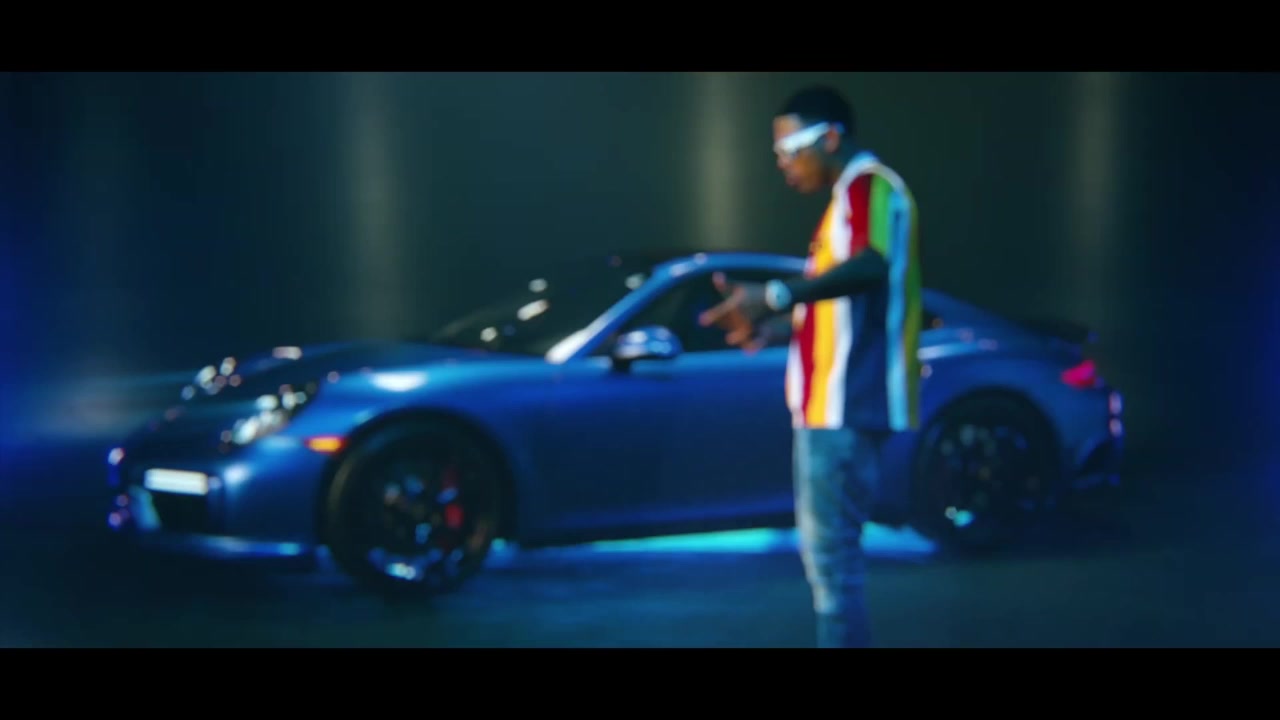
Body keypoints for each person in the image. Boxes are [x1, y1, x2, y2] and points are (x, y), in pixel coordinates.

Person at [699, 85, 922, 648]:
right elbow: (843, 307)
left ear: (830, 138)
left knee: (832, 566)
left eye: (789, 149)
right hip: (832, 406)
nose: (782, 163)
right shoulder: (845, 203)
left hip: (846, 405)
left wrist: (775, 295)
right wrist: (771, 328)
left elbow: (871, 266)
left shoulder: (869, 186)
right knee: (830, 565)